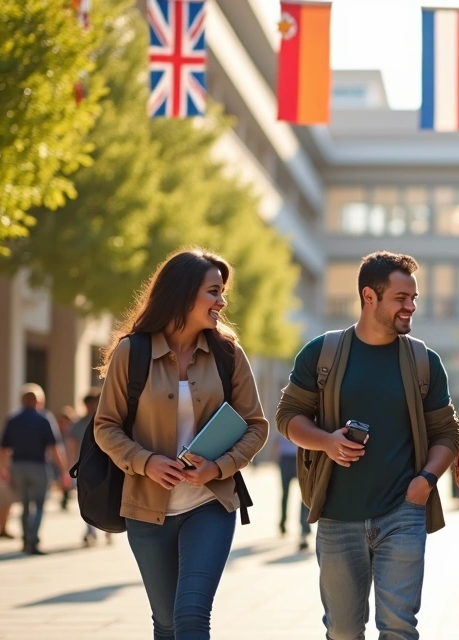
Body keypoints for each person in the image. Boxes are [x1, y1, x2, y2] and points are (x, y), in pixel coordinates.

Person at [276, 252, 459, 640]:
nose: (411, 307)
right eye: (401, 298)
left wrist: (426, 480)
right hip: (337, 515)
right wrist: (327, 442)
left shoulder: (424, 361)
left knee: (399, 627)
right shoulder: (321, 353)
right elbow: (288, 417)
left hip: (403, 513)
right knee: (343, 630)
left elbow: (447, 433)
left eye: (413, 298)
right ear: (369, 297)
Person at [94, 249, 269, 639]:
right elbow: (105, 426)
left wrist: (218, 467)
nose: (222, 302)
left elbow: (256, 426)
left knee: (191, 615)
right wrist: (145, 461)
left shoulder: (227, 353)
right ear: (183, 293)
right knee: (168, 623)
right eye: (213, 292)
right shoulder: (132, 352)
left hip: (210, 504)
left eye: (222, 292)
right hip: (146, 509)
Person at [0, 383, 73, 555]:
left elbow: (2, 447)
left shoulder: (13, 419)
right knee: (38, 505)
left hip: (17, 467)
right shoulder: (45, 419)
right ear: (38, 401)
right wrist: (63, 471)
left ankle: (25, 540)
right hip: (38, 467)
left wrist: (2, 468)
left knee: (24, 505)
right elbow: (54, 448)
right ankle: (33, 541)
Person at [68, 389, 110, 546]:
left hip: (107, 466)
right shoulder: (78, 424)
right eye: (89, 403)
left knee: (108, 498)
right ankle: (91, 531)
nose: (92, 406)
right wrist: (70, 466)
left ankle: (108, 530)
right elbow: (72, 446)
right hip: (86, 468)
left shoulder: (107, 419)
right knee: (89, 499)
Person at [275, 430, 310, 550]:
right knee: (287, 494)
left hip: (298, 458)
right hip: (290, 458)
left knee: (303, 496)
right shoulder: (282, 415)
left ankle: (303, 531)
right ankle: (285, 523)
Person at [55, 406, 76, 511]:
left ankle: (65, 495)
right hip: (61, 454)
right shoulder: (57, 430)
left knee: (67, 477)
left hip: (69, 454)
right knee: (62, 476)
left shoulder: (72, 430)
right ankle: (65, 495)